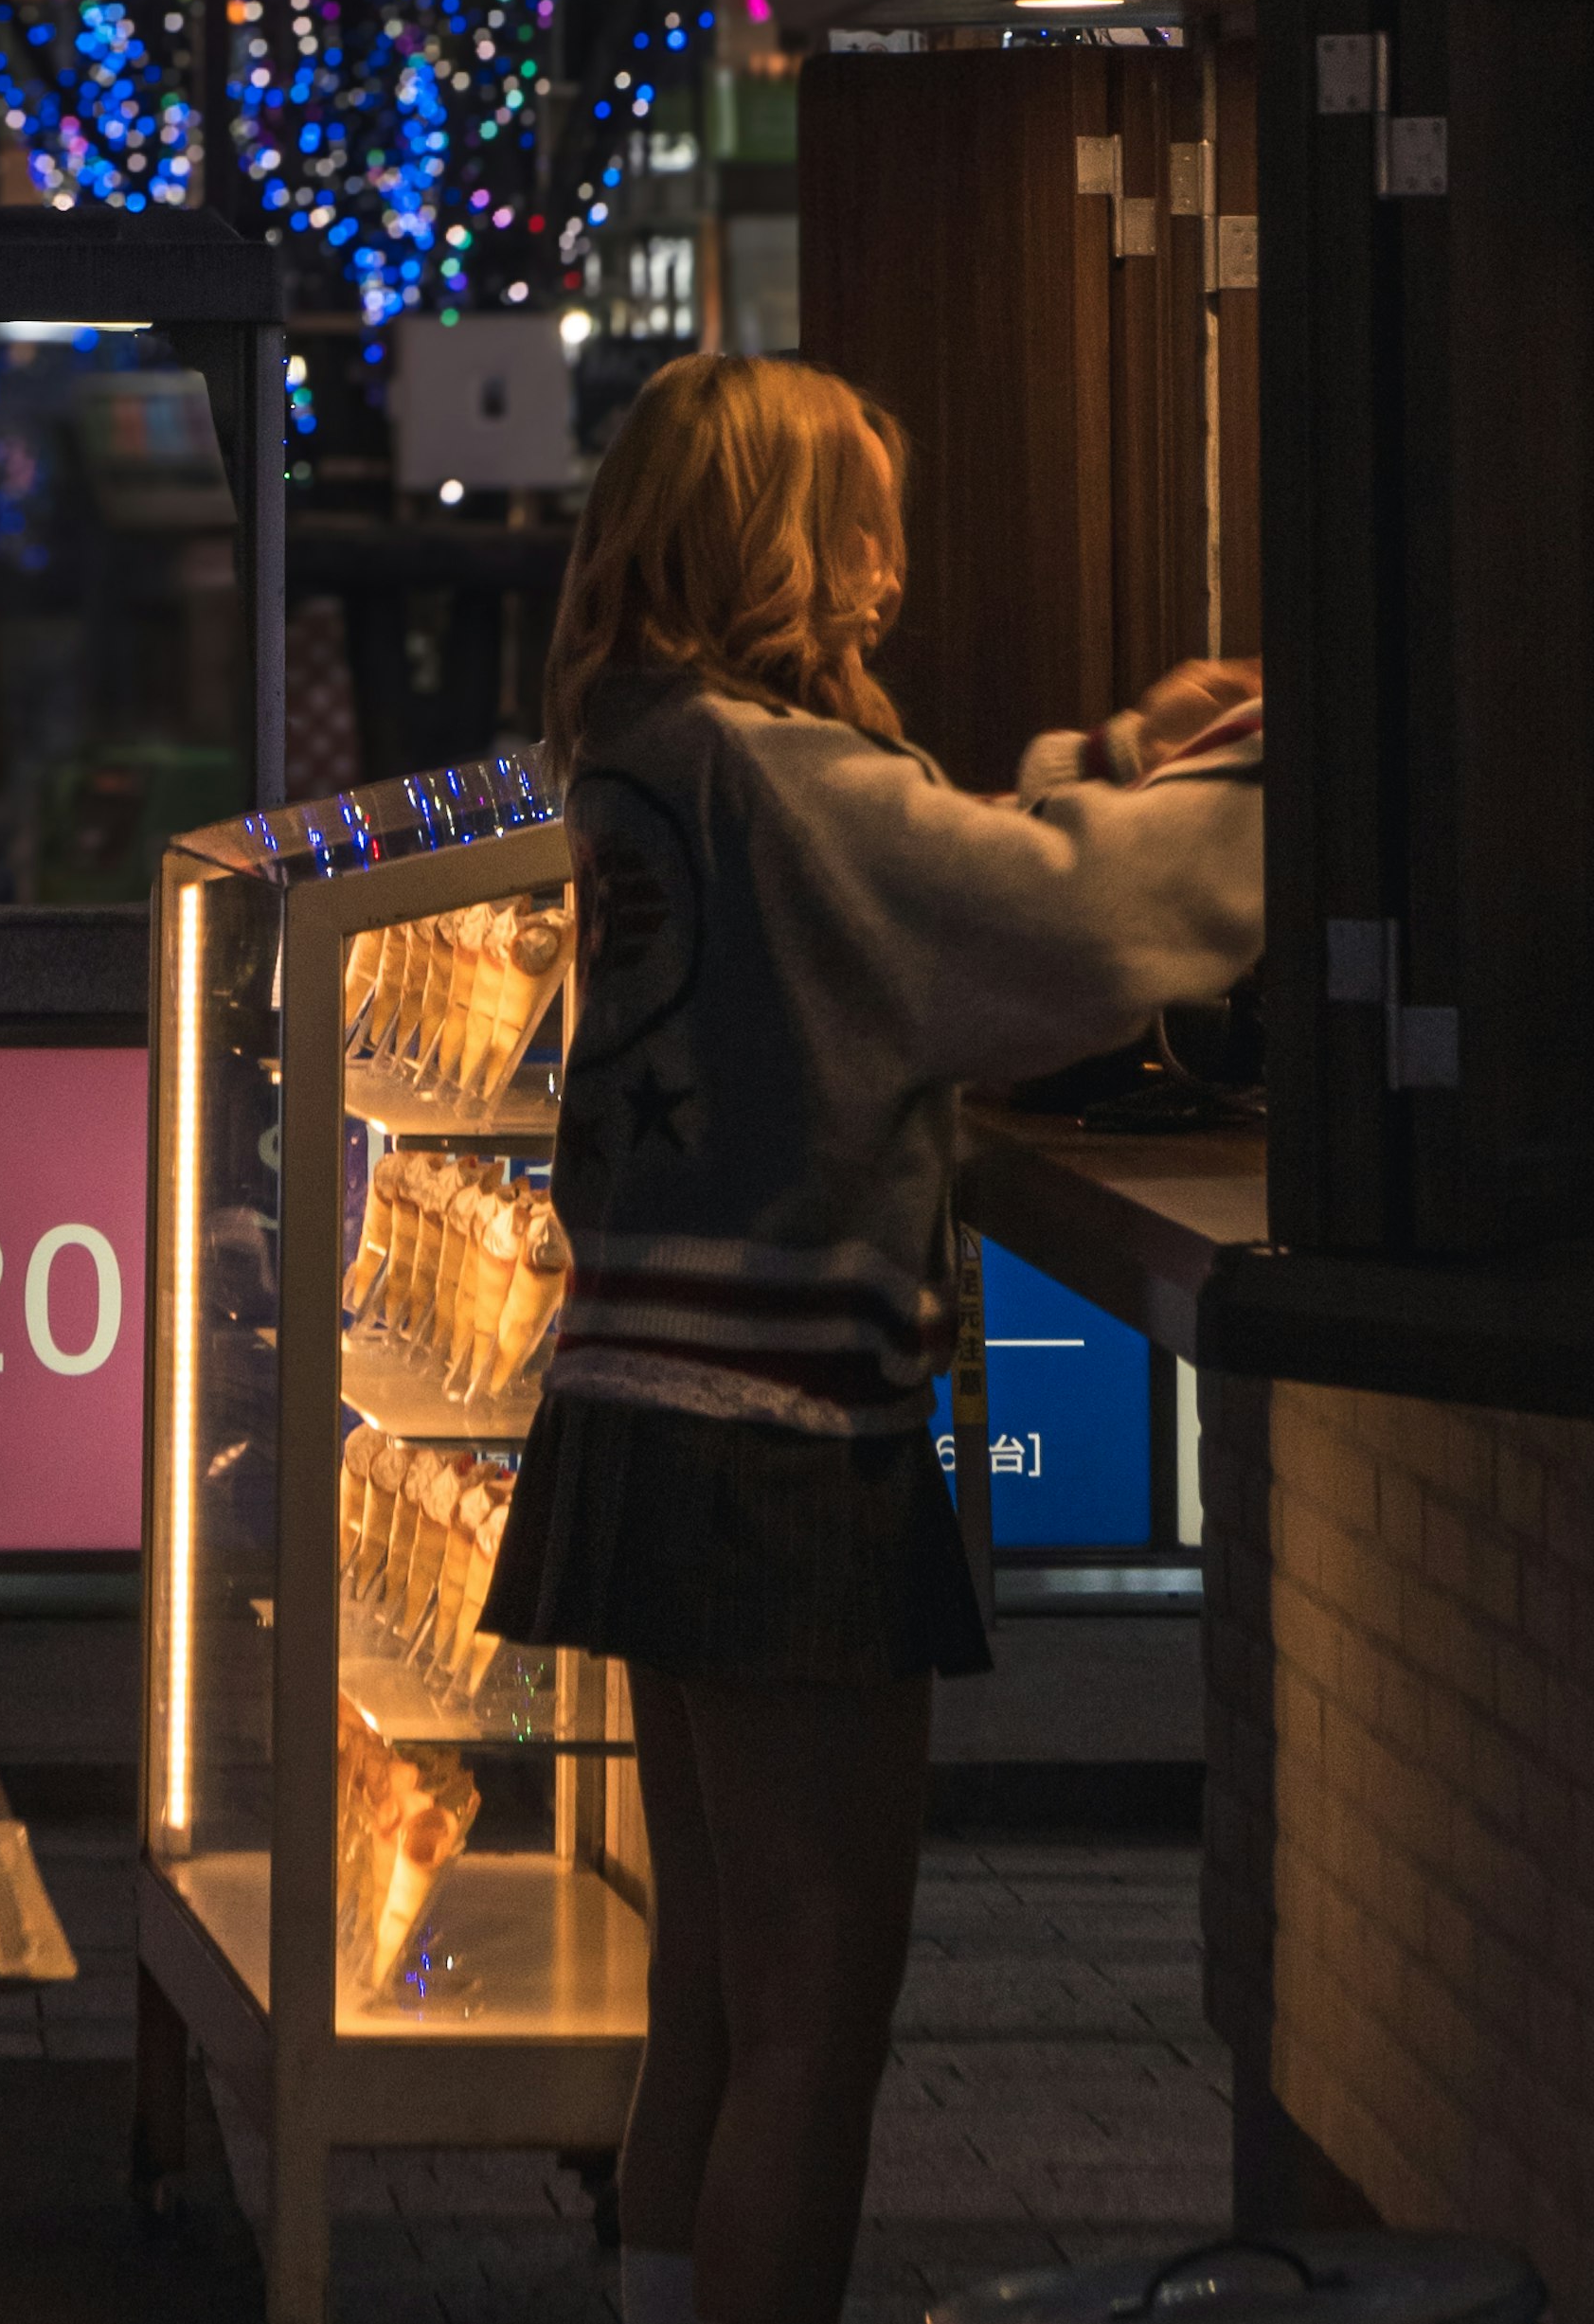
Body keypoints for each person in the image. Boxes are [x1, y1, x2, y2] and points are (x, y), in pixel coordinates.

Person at [490, 354, 1262, 2324]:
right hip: (786, 1428)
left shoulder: (655, 749)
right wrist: (1270, 766)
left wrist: (1111, 754)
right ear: (782, 539)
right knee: (820, 2020)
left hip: (636, 1400)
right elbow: (1057, 925)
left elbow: (934, 888)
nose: (887, 572)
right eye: (860, 524)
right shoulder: (781, 771)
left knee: (715, 1992)